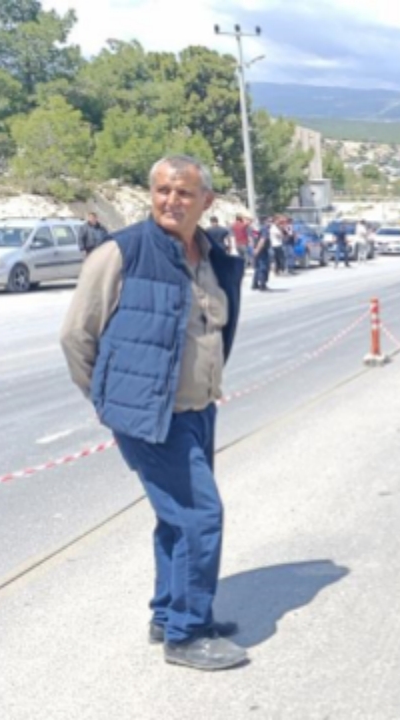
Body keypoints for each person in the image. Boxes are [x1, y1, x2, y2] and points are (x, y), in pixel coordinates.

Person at [59, 155, 247, 671]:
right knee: (199, 517)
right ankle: (187, 634)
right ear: (151, 195)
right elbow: (76, 336)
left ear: (206, 202)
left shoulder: (210, 255)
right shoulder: (122, 252)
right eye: (162, 190)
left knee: (175, 519)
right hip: (151, 416)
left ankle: (169, 612)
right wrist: (110, 399)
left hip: (198, 411)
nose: (171, 200)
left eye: (184, 193)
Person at [252, 218, 271, 290]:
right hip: (262, 250)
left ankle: (255, 283)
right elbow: (262, 240)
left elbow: (251, 239)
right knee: (263, 267)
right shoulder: (264, 228)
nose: (269, 223)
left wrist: (254, 248)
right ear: (264, 221)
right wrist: (257, 249)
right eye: (268, 221)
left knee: (257, 267)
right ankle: (262, 284)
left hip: (255, 249)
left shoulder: (254, 228)